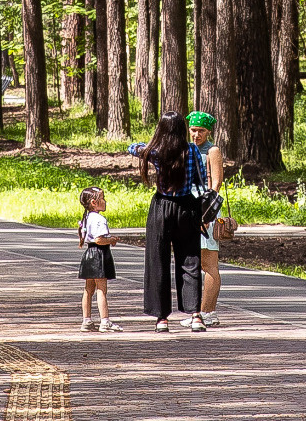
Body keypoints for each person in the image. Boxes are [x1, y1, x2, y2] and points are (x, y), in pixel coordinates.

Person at [135, 113, 201, 332]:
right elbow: (199, 178)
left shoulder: (155, 152)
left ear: (161, 129)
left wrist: (150, 143)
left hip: (162, 207)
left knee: (158, 260)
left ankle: (162, 318)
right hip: (187, 207)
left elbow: (132, 147)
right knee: (190, 259)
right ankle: (195, 315)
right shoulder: (191, 150)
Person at [184, 112, 230, 330]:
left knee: (208, 263)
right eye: (193, 130)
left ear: (208, 131)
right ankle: (201, 312)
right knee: (195, 262)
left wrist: (205, 215)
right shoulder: (188, 150)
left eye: (201, 131)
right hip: (190, 211)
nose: (196, 134)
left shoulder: (213, 151)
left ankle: (207, 312)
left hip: (207, 212)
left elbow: (217, 184)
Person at [74, 186, 123, 332]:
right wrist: (112, 239)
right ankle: (105, 321)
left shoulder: (87, 217)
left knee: (88, 290)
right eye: (102, 198)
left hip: (89, 254)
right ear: (94, 202)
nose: (105, 201)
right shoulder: (99, 219)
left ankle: (86, 320)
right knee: (101, 289)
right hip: (99, 255)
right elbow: (99, 239)